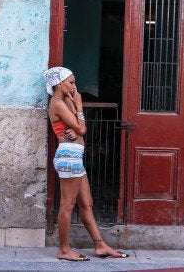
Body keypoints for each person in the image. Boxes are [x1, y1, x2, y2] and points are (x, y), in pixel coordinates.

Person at [43, 67, 129, 261]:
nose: (75, 87)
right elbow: (81, 127)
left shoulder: (65, 101)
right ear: (59, 84)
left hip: (76, 156)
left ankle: (100, 245)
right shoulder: (56, 103)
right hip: (69, 156)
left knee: (86, 203)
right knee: (68, 204)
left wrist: (75, 110)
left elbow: (80, 128)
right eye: (71, 82)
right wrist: (79, 105)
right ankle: (64, 249)